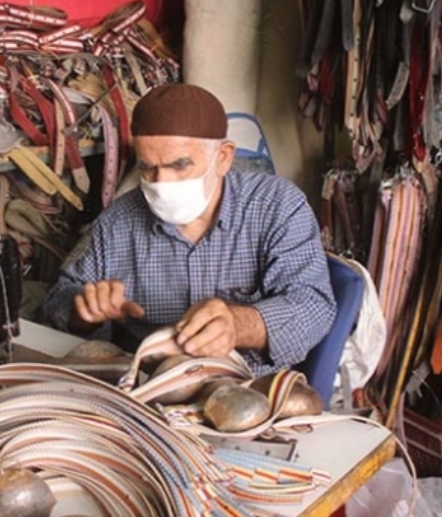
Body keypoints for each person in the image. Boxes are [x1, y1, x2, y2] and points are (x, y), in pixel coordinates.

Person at [42, 83, 336, 375]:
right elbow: (60, 296)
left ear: (223, 157)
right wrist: (84, 313)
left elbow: (313, 306)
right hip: (149, 381)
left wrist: (238, 325)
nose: (162, 182)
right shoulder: (118, 221)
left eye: (179, 165)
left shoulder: (277, 205)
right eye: (147, 167)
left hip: (248, 383)